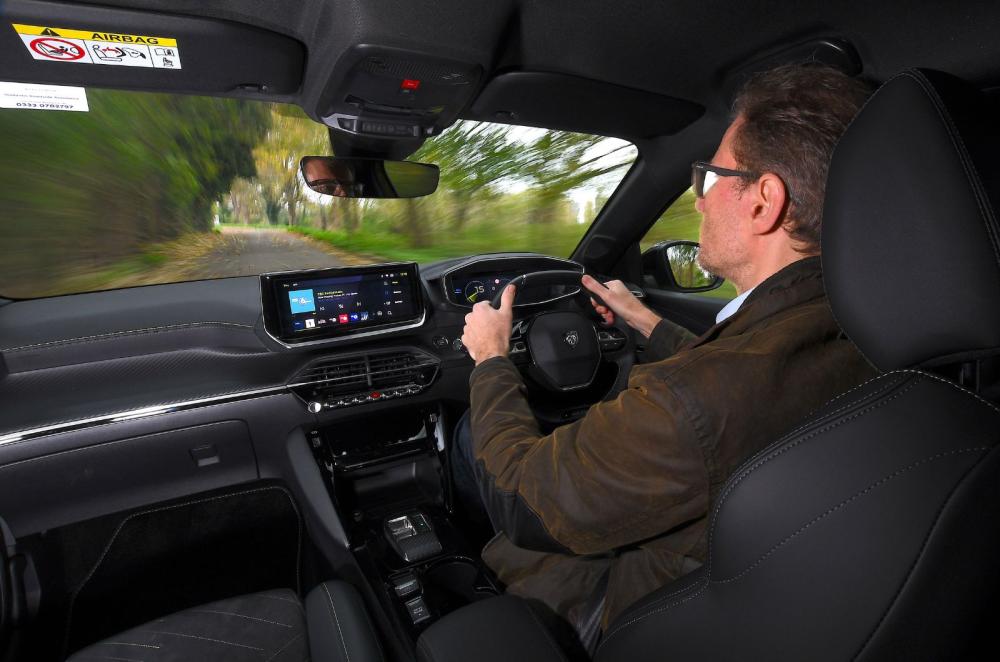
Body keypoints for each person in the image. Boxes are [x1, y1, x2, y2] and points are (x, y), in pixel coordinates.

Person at [456, 64, 877, 643]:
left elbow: (520, 498)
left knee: (471, 446)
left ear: (763, 202)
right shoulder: (858, 324)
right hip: (762, 598)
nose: (699, 202)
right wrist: (646, 322)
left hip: (635, 612)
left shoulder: (691, 401)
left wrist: (491, 360)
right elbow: (741, 376)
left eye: (710, 177)